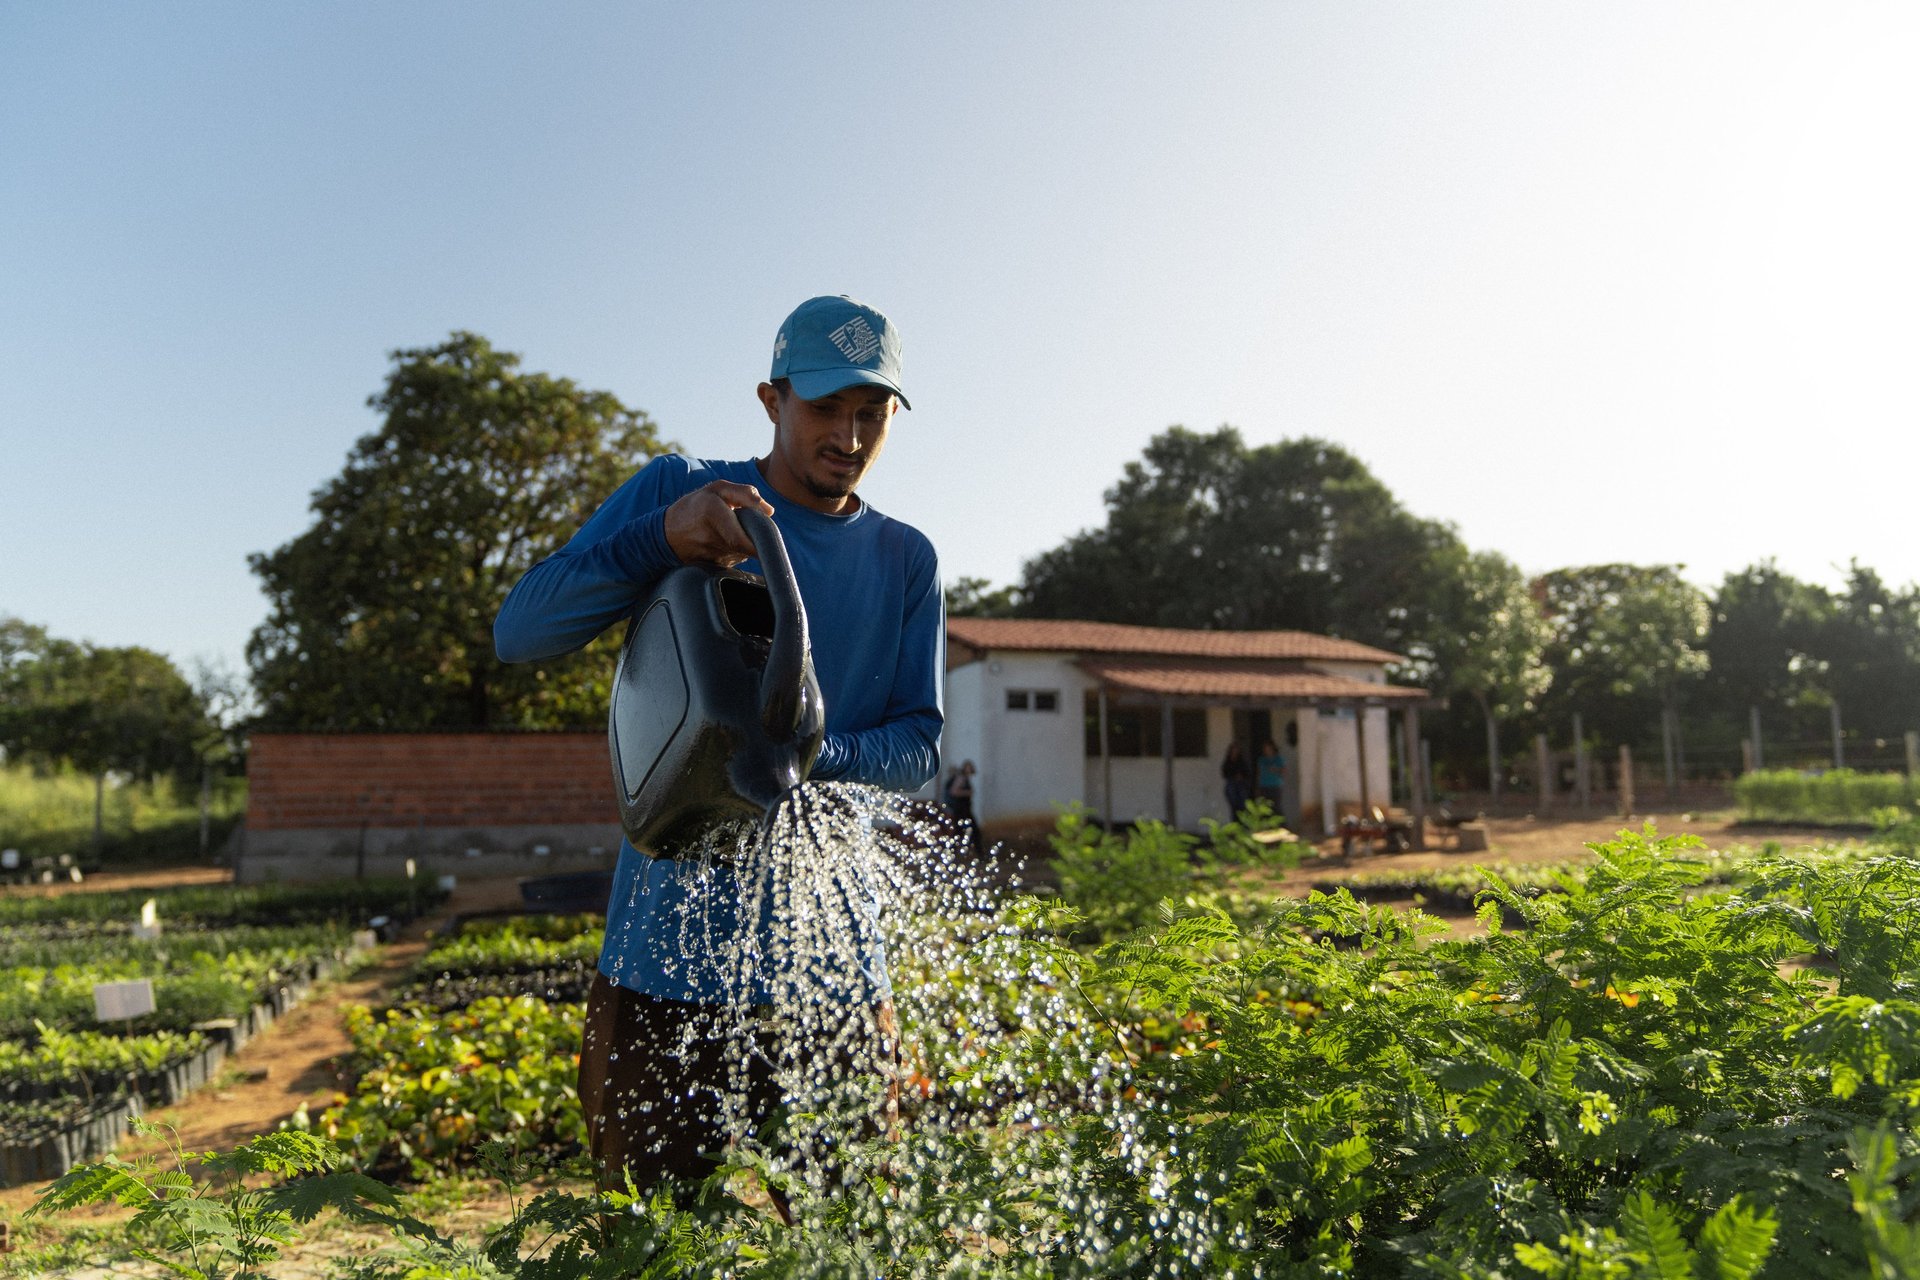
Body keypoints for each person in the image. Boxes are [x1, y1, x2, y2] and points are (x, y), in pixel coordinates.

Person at [493, 295, 942, 1201]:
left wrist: (812, 754)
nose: (850, 435)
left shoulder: (905, 559)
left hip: (833, 972)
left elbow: (917, 745)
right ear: (772, 401)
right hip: (662, 964)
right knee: (656, 1240)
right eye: (825, 408)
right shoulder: (685, 492)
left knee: (850, 1247)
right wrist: (658, 538)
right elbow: (521, 631)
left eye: (873, 413)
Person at [944, 759, 981, 855]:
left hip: (964, 809)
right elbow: (953, 791)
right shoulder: (961, 778)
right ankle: (980, 854)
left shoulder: (965, 778)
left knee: (960, 831)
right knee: (970, 831)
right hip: (961, 809)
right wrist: (967, 793)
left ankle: (952, 852)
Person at [1221, 740, 1253, 818]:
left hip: (1241, 784)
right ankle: (1235, 823)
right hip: (1231, 784)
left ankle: (1243, 823)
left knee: (1242, 805)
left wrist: (1241, 776)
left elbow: (1248, 772)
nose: (1235, 752)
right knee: (1233, 805)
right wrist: (1233, 776)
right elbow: (1224, 773)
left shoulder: (1242, 761)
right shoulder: (1228, 761)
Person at [1255, 737, 1285, 809]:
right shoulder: (1261, 759)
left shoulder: (1278, 759)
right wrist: (1257, 787)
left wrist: (1276, 769)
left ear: (1272, 748)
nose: (1266, 750)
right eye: (1265, 749)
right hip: (1263, 786)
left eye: (1268, 748)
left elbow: (1284, 771)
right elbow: (1258, 773)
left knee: (1276, 807)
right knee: (1264, 808)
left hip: (1275, 786)